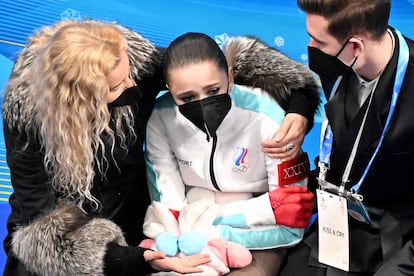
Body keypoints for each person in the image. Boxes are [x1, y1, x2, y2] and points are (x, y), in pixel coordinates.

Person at [2, 20, 319, 276]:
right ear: (81, 101)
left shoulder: (129, 63)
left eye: (128, 74)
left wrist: (300, 104)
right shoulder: (27, 120)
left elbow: (209, 65)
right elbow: (41, 221)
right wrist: (137, 260)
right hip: (71, 232)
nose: (132, 85)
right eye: (115, 87)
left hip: (135, 208)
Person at [144, 32, 317, 276]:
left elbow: (289, 229)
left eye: (213, 90)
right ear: (169, 90)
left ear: (230, 77)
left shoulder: (268, 117)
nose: (203, 104)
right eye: (187, 98)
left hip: (255, 235)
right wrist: (186, 235)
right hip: (189, 230)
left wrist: (214, 232)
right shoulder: (161, 118)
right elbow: (168, 210)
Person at [278, 1, 414, 275]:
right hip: (332, 222)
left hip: (393, 243)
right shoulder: (337, 63)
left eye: (318, 40)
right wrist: (300, 110)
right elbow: (282, 78)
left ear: (356, 46)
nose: (310, 48)